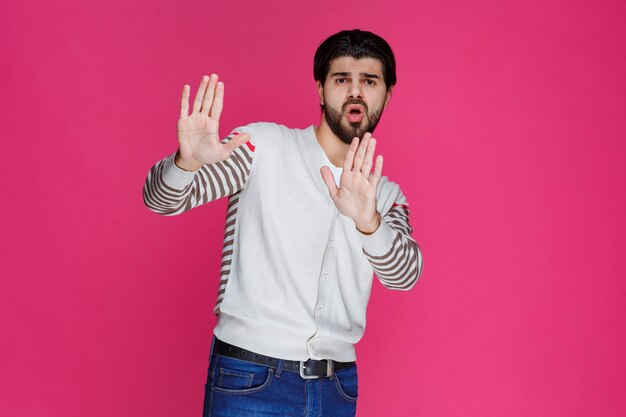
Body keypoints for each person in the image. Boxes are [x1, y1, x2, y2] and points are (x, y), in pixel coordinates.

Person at [143, 29, 423, 417]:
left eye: (369, 81)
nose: (355, 92)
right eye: (342, 80)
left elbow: (405, 276)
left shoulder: (386, 196)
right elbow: (162, 201)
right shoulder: (262, 147)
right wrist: (186, 162)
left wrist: (368, 222)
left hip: (335, 389)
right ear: (321, 90)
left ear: (387, 95)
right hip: (249, 378)